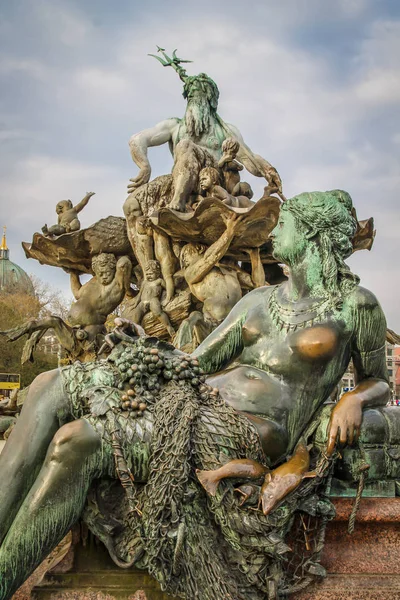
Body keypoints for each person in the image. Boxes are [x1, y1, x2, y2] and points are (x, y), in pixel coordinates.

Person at [0, 190, 389, 600]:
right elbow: (197, 362)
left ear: (311, 235)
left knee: (74, 441)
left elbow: (378, 379)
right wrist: (149, 351)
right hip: (191, 397)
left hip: (244, 429)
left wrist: (355, 399)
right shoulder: (258, 300)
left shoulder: (356, 306)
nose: (275, 231)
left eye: (285, 223)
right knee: (48, 385)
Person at [127, 72, 281, 211]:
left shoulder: (227, 131)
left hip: (214, 181)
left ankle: (178, 202)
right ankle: (177, 198)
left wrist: (268, 169)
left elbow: (250, 160)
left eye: (199, 94)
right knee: (131, 205)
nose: (193, 97)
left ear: (211, 100)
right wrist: (144, 166)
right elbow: (137, 139)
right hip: (180, 181)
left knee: (185, 145)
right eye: (190, 96)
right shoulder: (175, 126)